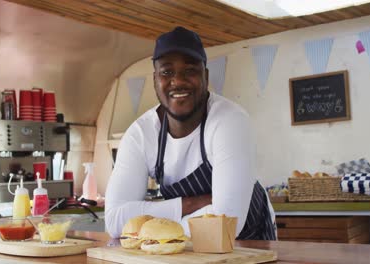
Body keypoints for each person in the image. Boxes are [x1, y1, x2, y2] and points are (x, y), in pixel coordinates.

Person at [105, 26, 276, 240]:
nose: (178, 81)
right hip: (182, 253)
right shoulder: (140, 134)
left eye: (190, 70)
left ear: (205, 75)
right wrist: (192, 204)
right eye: (167, 72)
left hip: (248, 247)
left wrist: (154, 229)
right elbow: (114, 221)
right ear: (155, 80)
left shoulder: (229, 121)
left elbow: (227, 223)